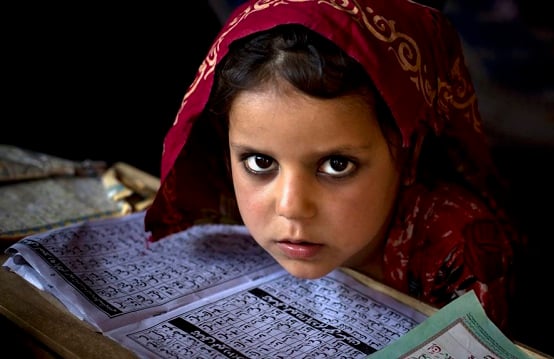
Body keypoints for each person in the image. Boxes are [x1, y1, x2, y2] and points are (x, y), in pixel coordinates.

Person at [144, 0, 523, 334]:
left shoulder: (459, 248)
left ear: (409, 155)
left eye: (337, 165)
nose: (291, 206)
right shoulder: (222, 205)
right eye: (261, 162)